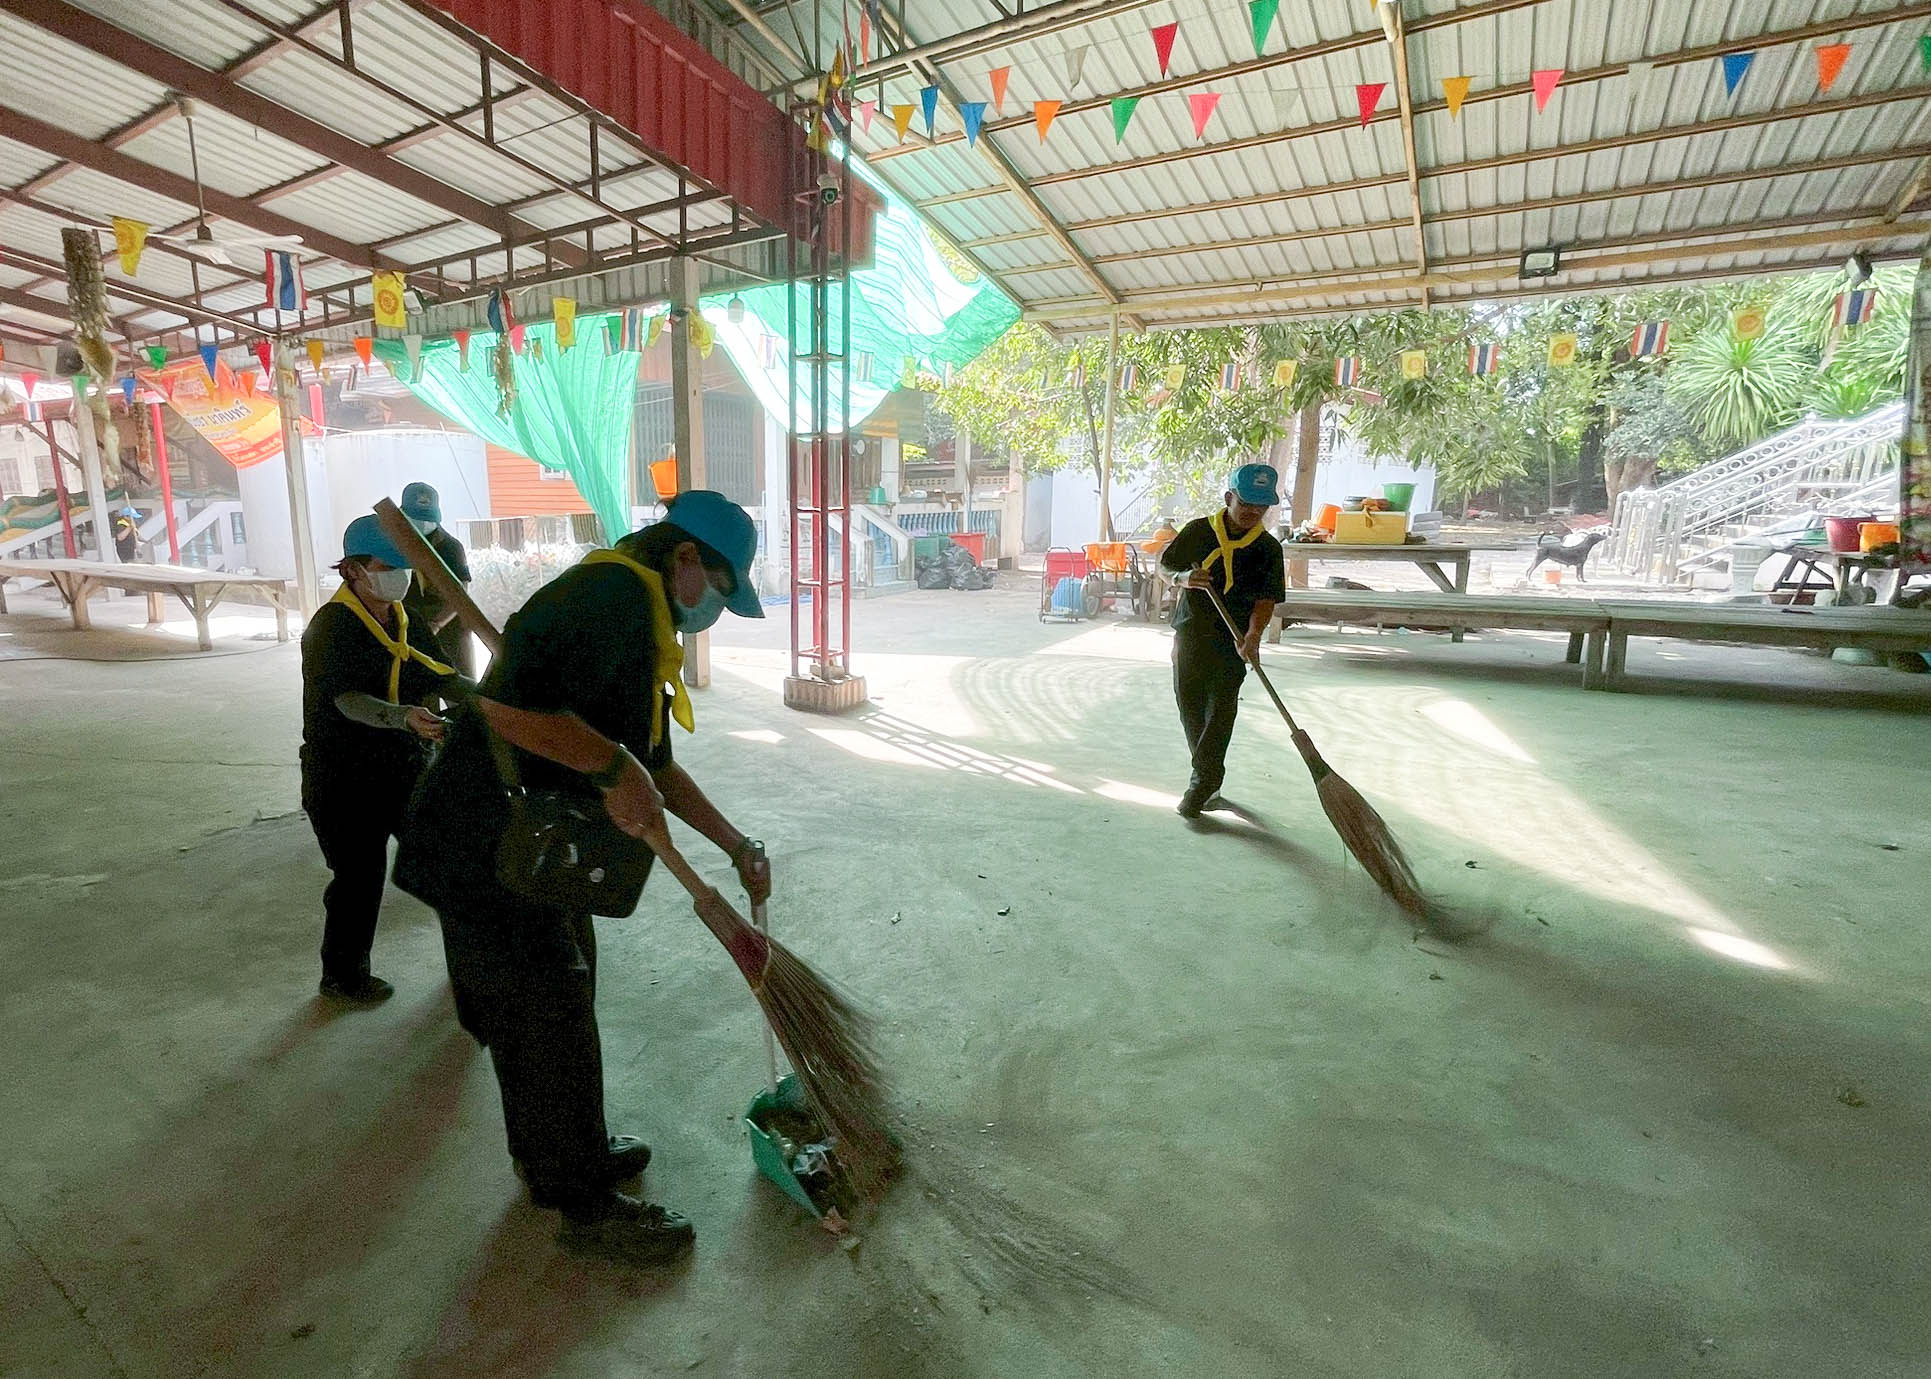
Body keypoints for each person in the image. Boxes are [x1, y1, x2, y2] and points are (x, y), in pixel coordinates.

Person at [399, 490, 772, 1267]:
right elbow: (504, 706)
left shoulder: (640, 614)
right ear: (685, 557)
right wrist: (608, 766)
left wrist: (734, 844)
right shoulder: (613, 597)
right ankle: (585, 1204)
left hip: (533, 843)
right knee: (547, 1017)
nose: (713, 609)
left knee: (553, 1004)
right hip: (486, 840)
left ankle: (559, 1156)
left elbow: (654, 762)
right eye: (719, 587)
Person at [301, 515, 466, 1004]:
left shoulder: (404, 618)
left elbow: (440, 676)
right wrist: (403, 717)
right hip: (342, 777)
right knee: (359, 877)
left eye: (403, 566)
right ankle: (342, 975)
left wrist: (495, 700)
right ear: (353, 571)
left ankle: (471, 963)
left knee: (446, 862)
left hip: (402, 766)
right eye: (386, 567)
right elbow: (346, 699)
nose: (399, 576)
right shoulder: (331, 627)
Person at [1159, 465, 1287, 819]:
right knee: (1190, 705)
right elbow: (1164, 566)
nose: (1253, 512)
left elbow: (1266, 599)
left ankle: (1203, 781)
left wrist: (1254, 636)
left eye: (1261, 506)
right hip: (1191, 633)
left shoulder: (1267, 548)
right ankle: (1207, 774)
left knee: (1220, 709)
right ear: (1229, 497)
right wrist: (1183, 578)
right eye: (1246, 503)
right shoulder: (1199, 531)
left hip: (1233, 641)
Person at [397, 481, 475, 676]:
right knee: (417, 683)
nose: (423, 524)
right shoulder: (393, 544)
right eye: (416, 518)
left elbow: (461, 593)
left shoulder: (451, 547)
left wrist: (437, 623)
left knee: (460, 683)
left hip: (449, 625)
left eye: (427, 518)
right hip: (409, 626)